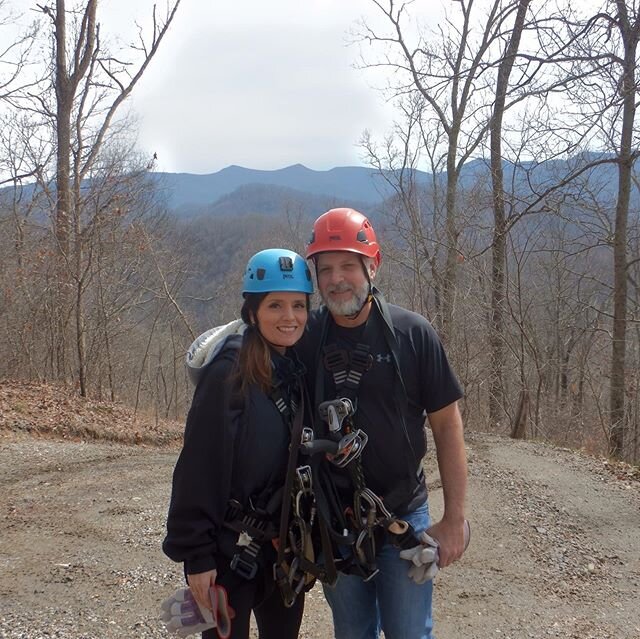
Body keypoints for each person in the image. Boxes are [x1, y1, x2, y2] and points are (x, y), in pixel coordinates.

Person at [296, 208, 468, 639]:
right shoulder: (305, 337)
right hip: (334, 522)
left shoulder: (414, 334)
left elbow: (448, 427)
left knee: (409, 632)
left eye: (349, 266)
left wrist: (453, 520)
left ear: (373, 266)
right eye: (326, 268)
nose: (337, 279)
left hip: (403, 519)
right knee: (352, 633)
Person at [162, 248, 314, 639]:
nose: (289, 317)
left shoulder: (294, 371)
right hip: (227, 555)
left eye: (299, 305)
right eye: (275, 305)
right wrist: (196, 557)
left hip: (282, 551)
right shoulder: (228, 375)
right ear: (252, 311)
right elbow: (199, 466)